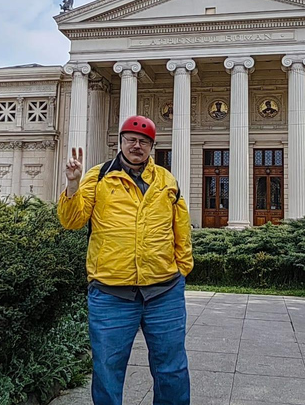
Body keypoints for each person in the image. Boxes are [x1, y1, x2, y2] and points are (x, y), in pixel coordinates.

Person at [58, 115, 193, 405]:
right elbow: (72, 221)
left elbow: (181, 227)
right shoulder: (99, 176)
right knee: (107, 371)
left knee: (172, 369)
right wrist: (72, 186)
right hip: (111, 293)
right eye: (131, 139)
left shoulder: (166, 180)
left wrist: (181, 270)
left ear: (152, 147)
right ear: (120, 142)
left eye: (144, 141)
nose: (137, 145)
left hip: (163, 292)